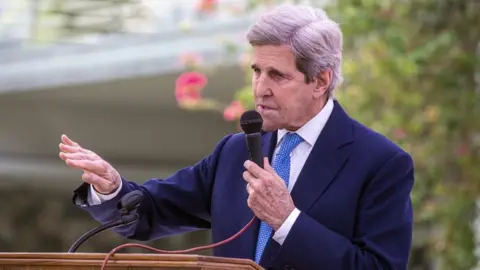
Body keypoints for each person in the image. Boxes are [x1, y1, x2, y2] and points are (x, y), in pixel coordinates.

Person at [59, 4, 414, 270]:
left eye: (277, 75)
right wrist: (112, 188)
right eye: (257, 71)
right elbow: (153, 211)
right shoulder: (234, 151)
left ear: (320, 80)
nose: (260, 88)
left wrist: (287, 221)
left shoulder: (381, 163)